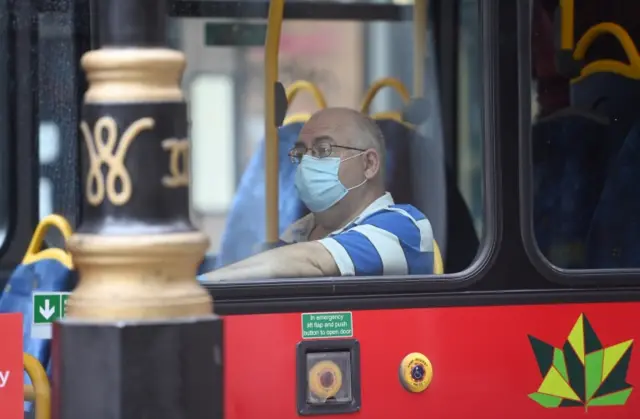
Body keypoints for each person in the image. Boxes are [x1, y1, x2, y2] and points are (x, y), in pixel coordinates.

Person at [204, 107, 435, 281]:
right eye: (301, 153)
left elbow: (311, 261)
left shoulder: (404, 227)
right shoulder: (303, 229)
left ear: (369, 164)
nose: (306, 163)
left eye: (323, 150)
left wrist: (202, 287)